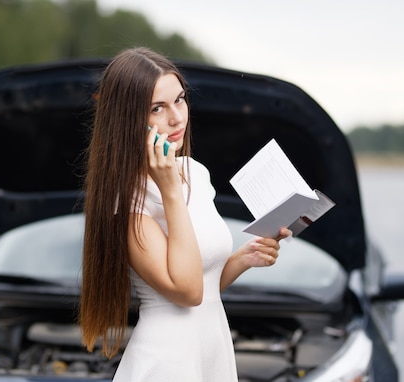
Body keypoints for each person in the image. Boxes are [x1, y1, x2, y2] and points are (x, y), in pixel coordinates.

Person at [79, 47, 291, 382]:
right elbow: (188, 292)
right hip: (167, 362)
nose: (177, 117)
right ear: (128, 119)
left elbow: (205, 284)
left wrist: (242, 258)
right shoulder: (128, 206)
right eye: (157, 108)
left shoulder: (196, 172)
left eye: (179, 100)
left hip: (211, 347)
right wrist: (170, 191)